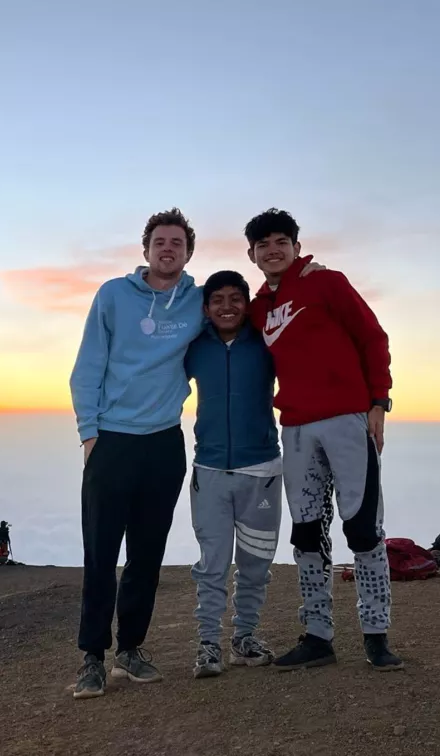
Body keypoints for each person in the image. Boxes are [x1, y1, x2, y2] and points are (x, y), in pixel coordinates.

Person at [68, 209, 327, 700]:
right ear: (146, 249)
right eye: (160, 242)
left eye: (177, 244)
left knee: (147, 552)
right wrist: (89, 434)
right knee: (100, 554)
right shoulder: (113, 295)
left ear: (188, 252)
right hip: (112, 439)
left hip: (166, 442)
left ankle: (131, 650)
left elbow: (258, 309)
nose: (168, 250)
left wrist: (302, 274)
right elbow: (86, 369)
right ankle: (92, 658)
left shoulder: (196, 301)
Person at [245, 208, 403, 672]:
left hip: (347, 419)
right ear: (253, 255)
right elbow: (227, 316)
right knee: (308, 534)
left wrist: (379, 401)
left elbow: (373, 337)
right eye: (263, 245)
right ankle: (318, 635)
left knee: (363, 528)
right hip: (294, 427)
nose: (272, 250)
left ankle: (376, 635)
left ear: (296, 245)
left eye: (281, 241)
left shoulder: (327, 282)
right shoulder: (260, 309)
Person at [185, 270, 283, 678]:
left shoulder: (268, 343)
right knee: (212, 563)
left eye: (235, 298)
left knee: (256, 562)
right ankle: (208, 645)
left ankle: (244, 637)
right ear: (206, 308)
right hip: (209, 470)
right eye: (218, 300)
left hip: (261, 470)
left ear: (247, 303)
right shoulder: (192, 347)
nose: (227, 306)